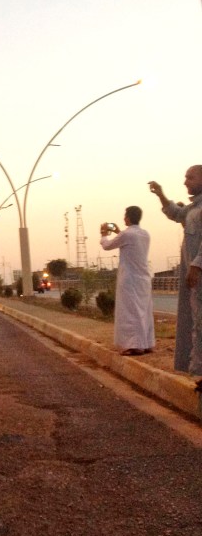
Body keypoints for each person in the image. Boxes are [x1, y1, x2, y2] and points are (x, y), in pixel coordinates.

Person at [149, 165, 202, 387]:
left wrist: (196, 265)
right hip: (195, 279)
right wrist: (161, 195)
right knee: (196, 323)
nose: (185, 181)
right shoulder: (193, 208)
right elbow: (175, 213)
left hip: (198, 273)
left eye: (190, 177)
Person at [100, 206, 154, 356]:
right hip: (143, 278)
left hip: (130, 279)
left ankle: (134, 345)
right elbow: (129, 242)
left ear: (128, 218)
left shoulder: (127, 235)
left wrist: (104, 234)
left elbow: (107, 246)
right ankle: (147, 343)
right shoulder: (144, 234)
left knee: (130, 312)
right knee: (144, 311)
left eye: (125, 216)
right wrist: (119, 232)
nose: (124, 218)